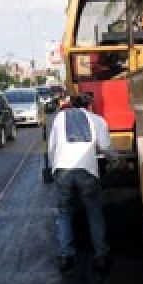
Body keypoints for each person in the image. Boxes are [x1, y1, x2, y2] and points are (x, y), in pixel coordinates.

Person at [47, 92, 112, 272]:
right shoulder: (97, 120)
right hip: (87, 170)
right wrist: (115, 160)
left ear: (72, 105)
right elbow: (106, 147)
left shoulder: (59, 118)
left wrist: (55, 167)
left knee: (64, 213)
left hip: (62, 169)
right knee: (94, 211)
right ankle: (101, 255)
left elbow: (52, 147)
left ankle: (66, 256)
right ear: (90, 105)